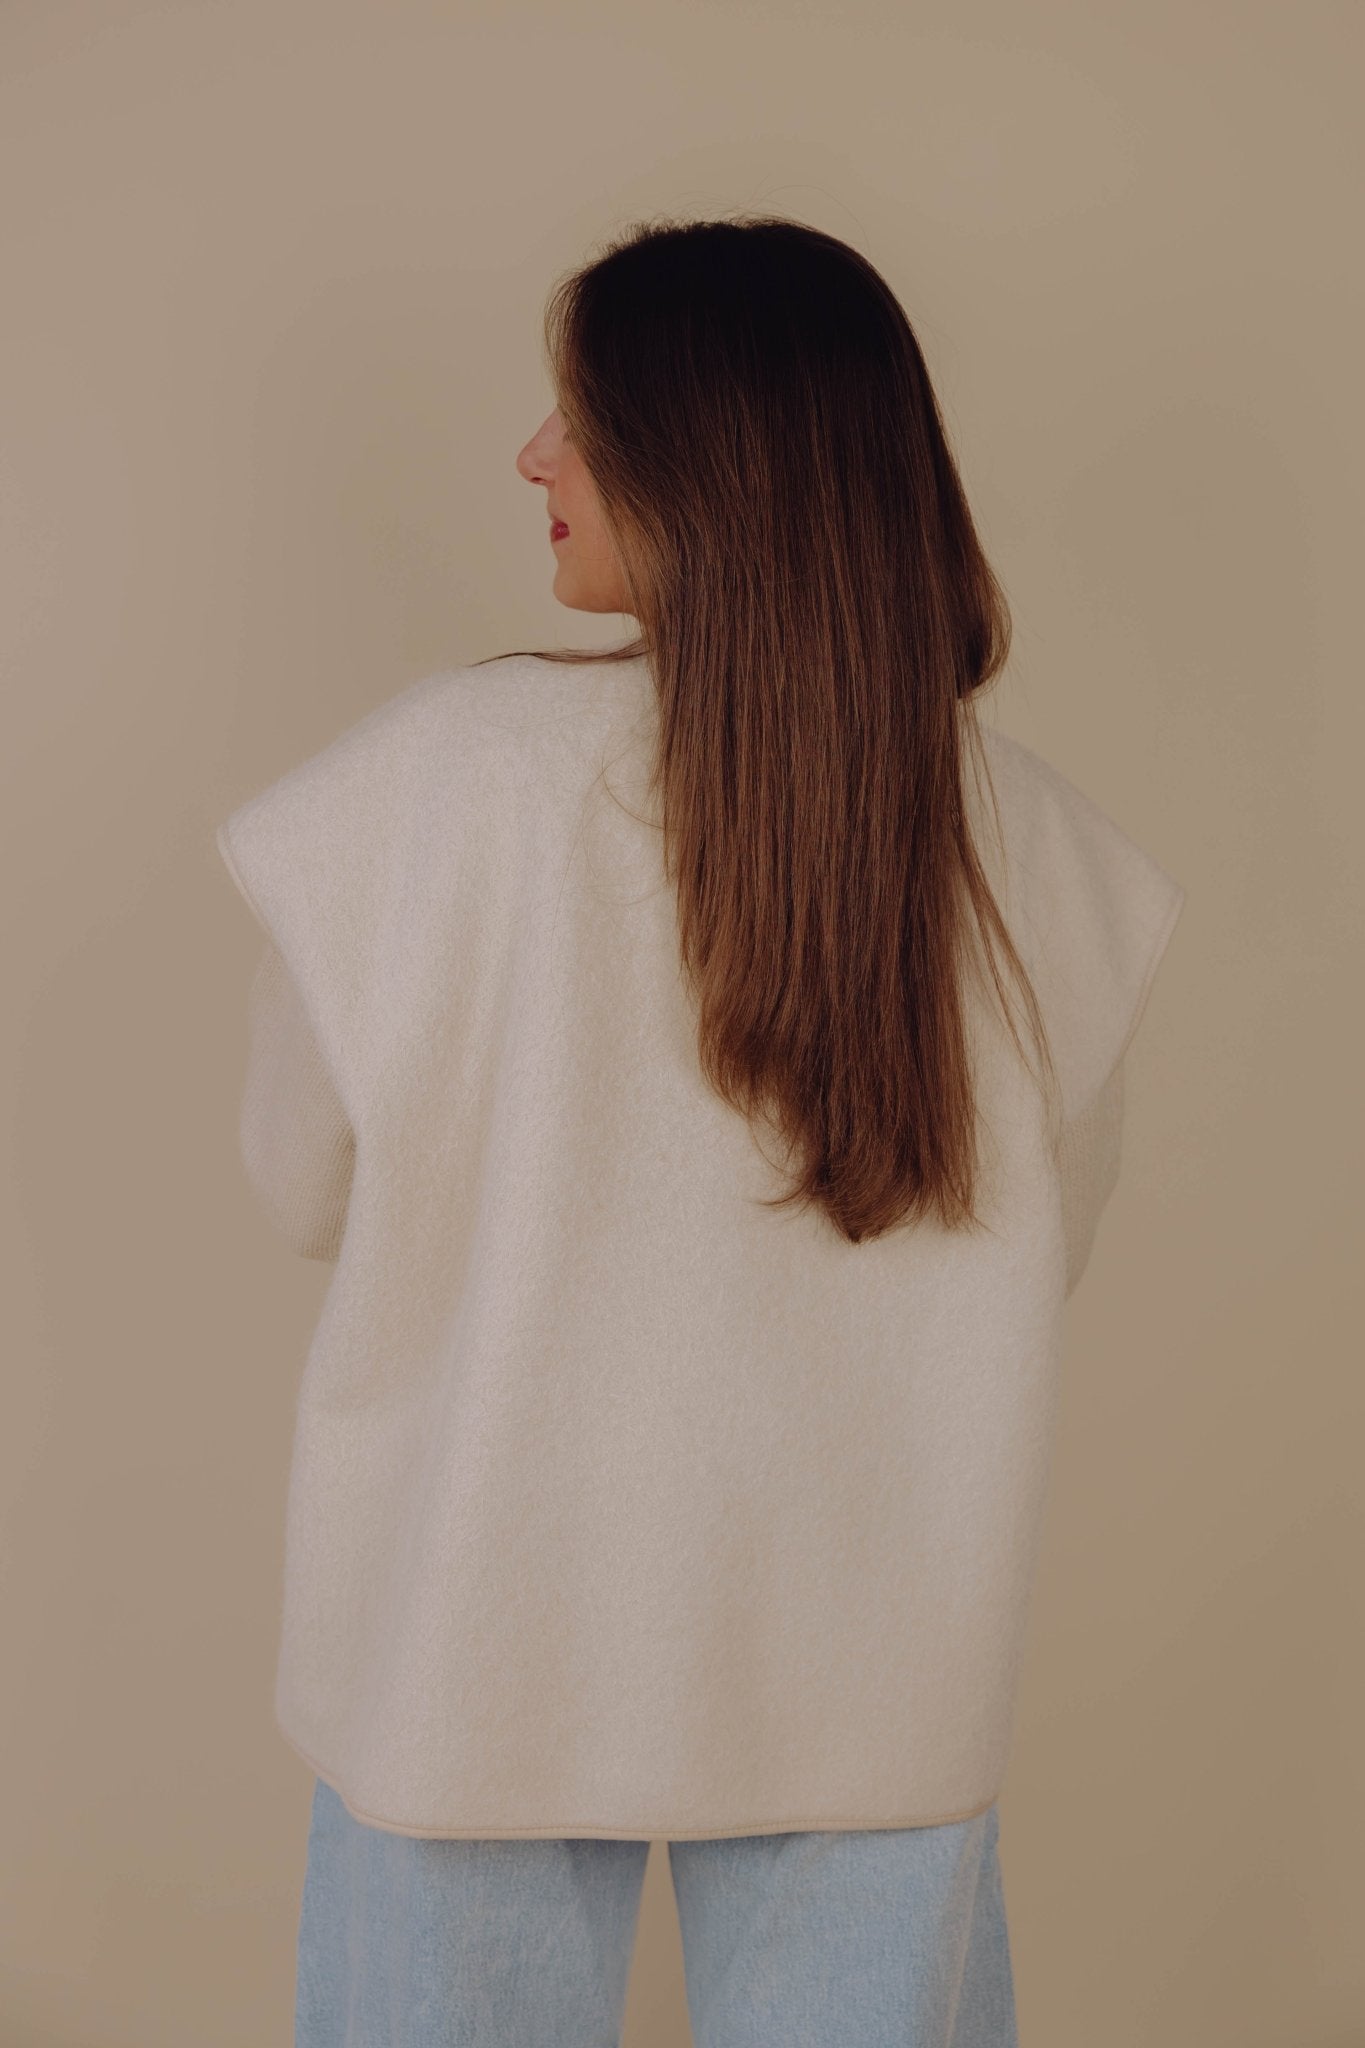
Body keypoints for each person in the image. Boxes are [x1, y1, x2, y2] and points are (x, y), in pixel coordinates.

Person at [218, 214, 1186, 2047]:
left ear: (702, 459)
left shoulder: (427, 792)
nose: (532, 457)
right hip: (878, 1650)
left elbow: (299, 1180)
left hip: (473, 1629)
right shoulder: (1036, 851)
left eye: (575, 417)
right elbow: (1044, 1243)